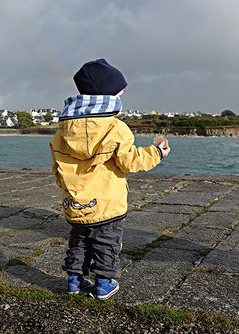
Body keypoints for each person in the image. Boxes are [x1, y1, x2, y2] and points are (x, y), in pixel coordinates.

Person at [50, 59, 170, 300]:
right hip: (107, 204)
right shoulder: (117, 128)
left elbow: (57, 168)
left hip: (75, 202)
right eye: (120, 89)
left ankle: (74, 281)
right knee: (107, 244)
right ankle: (104, 284)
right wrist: (156, 152)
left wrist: (69, 189)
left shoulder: (63, 132)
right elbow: (130, 161)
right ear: (110, 95)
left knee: (79, 242)